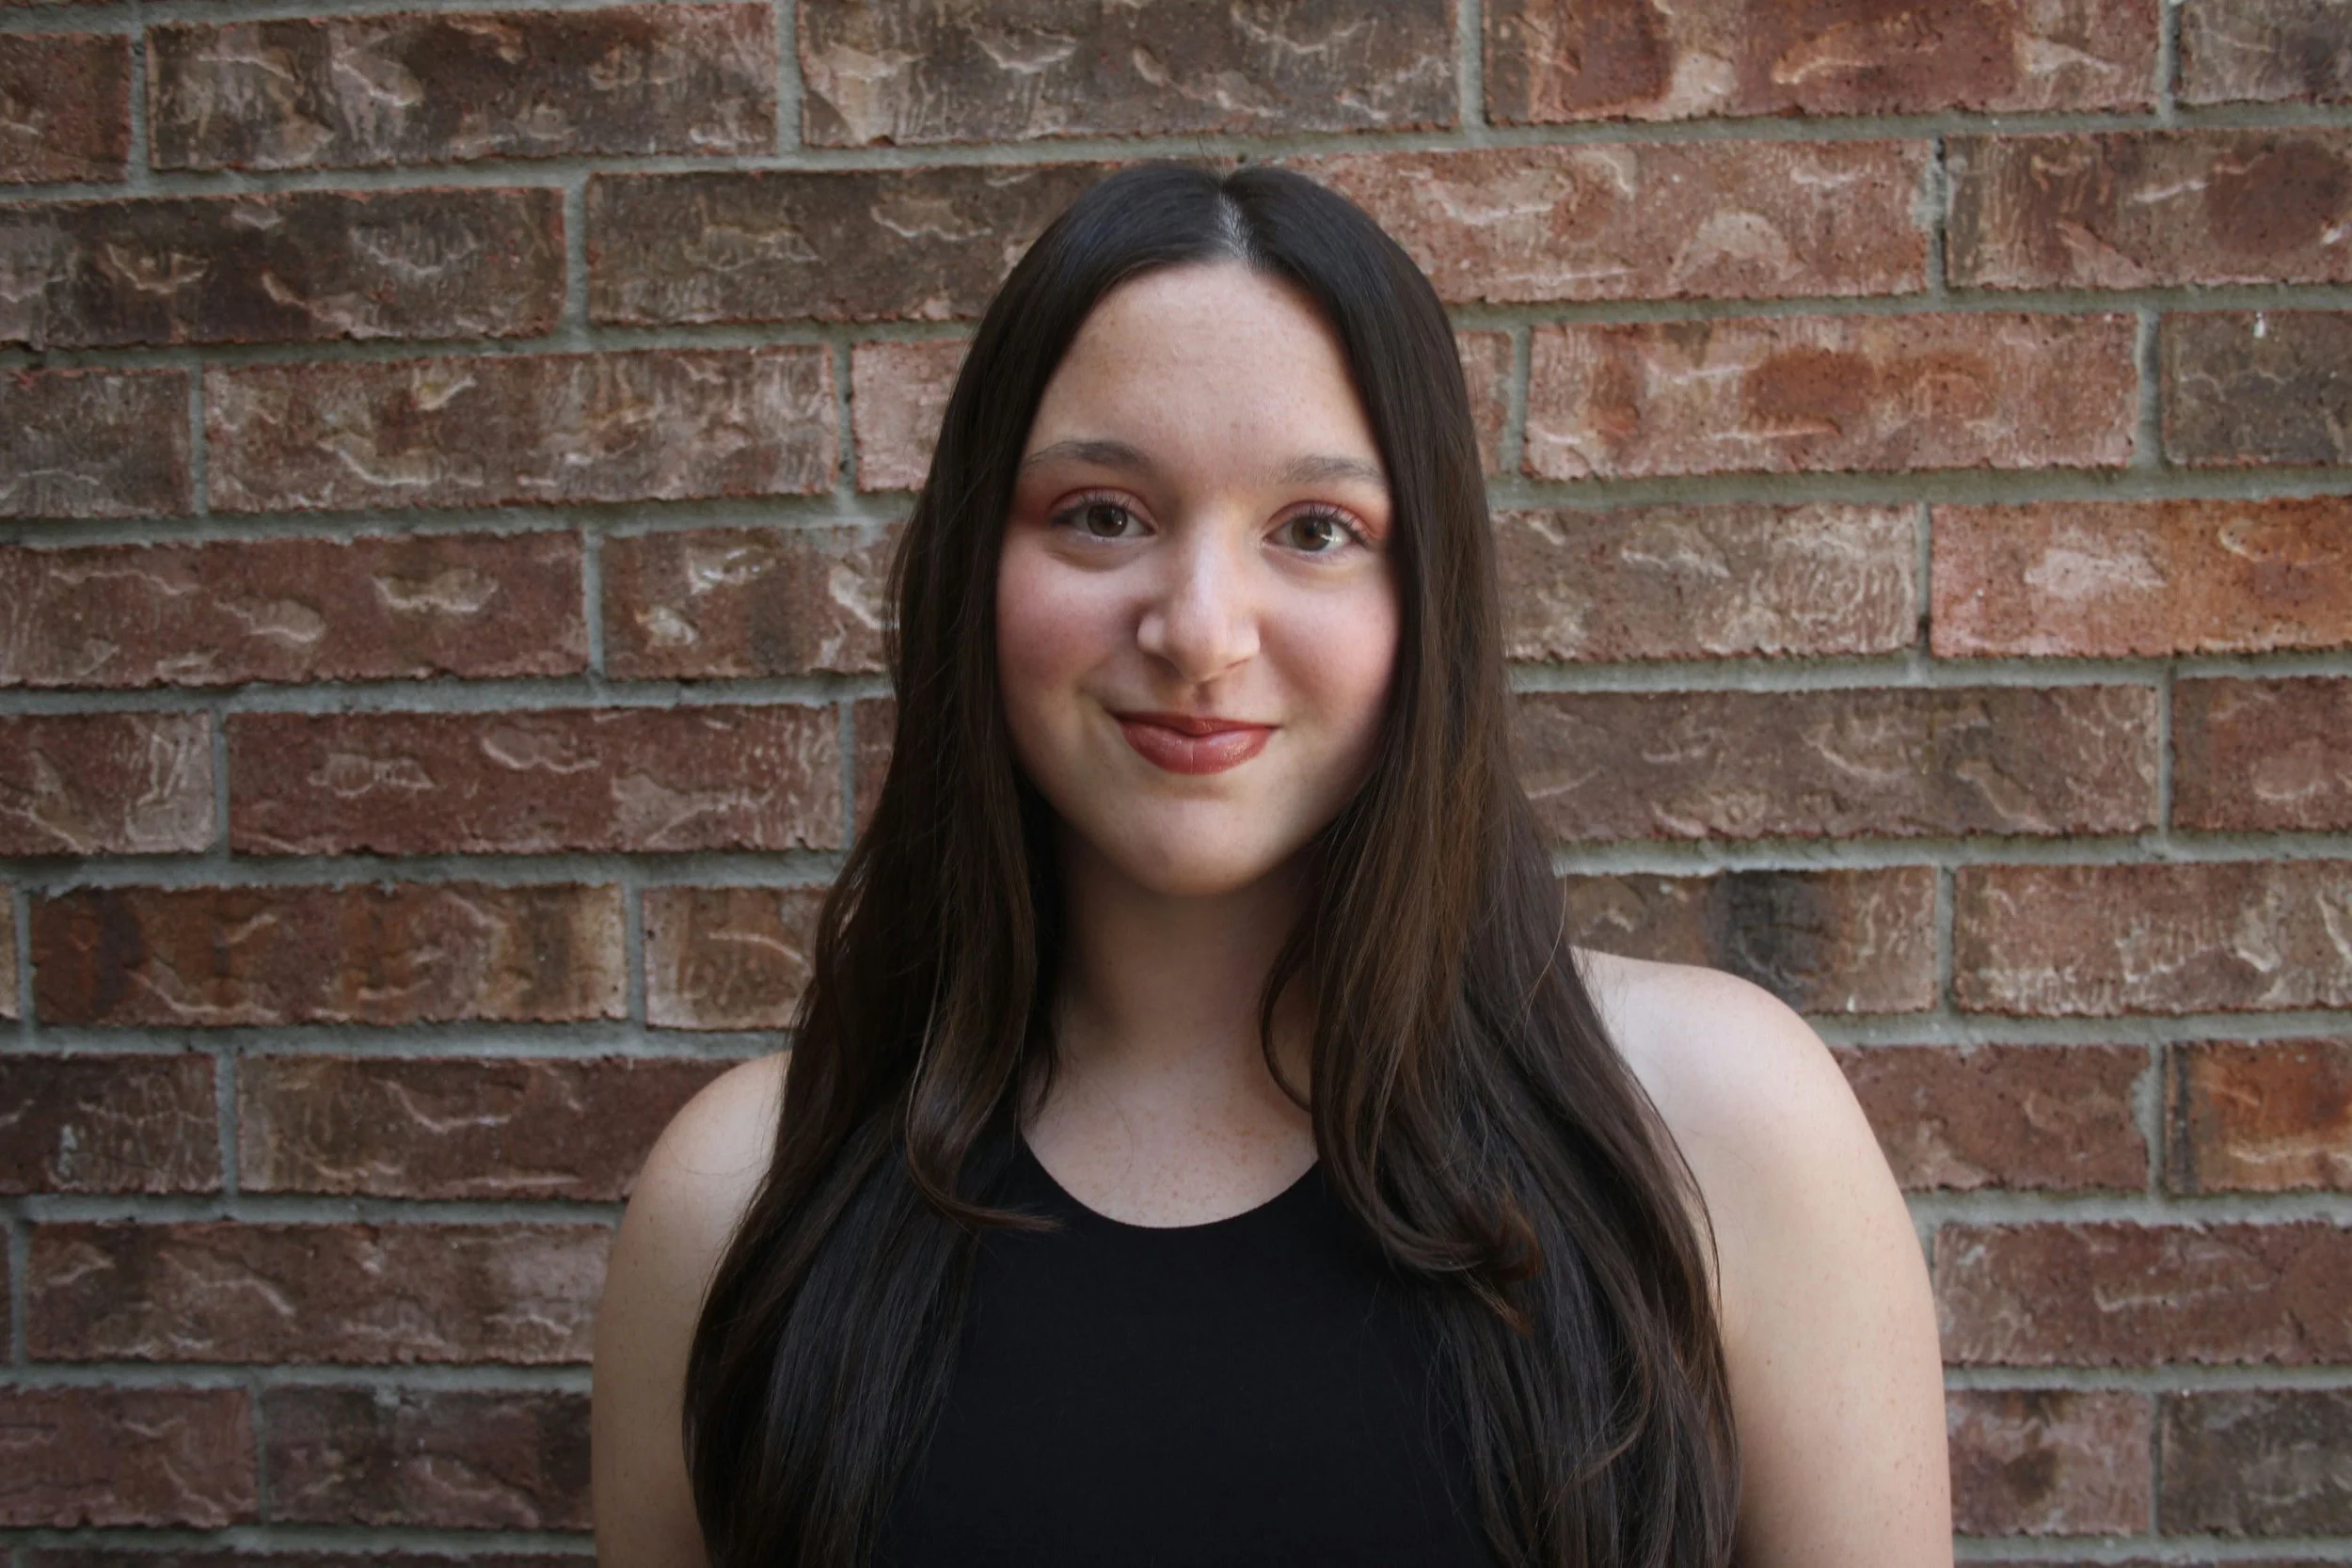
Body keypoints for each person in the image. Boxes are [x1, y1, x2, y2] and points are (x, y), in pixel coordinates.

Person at [591, 162, 1950, 1568]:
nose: (1200, 630)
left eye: (1315, 531)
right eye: (1102, 513)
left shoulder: (1713, 1134)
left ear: (1426, 601)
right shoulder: (741, 1200)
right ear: (972, 569)